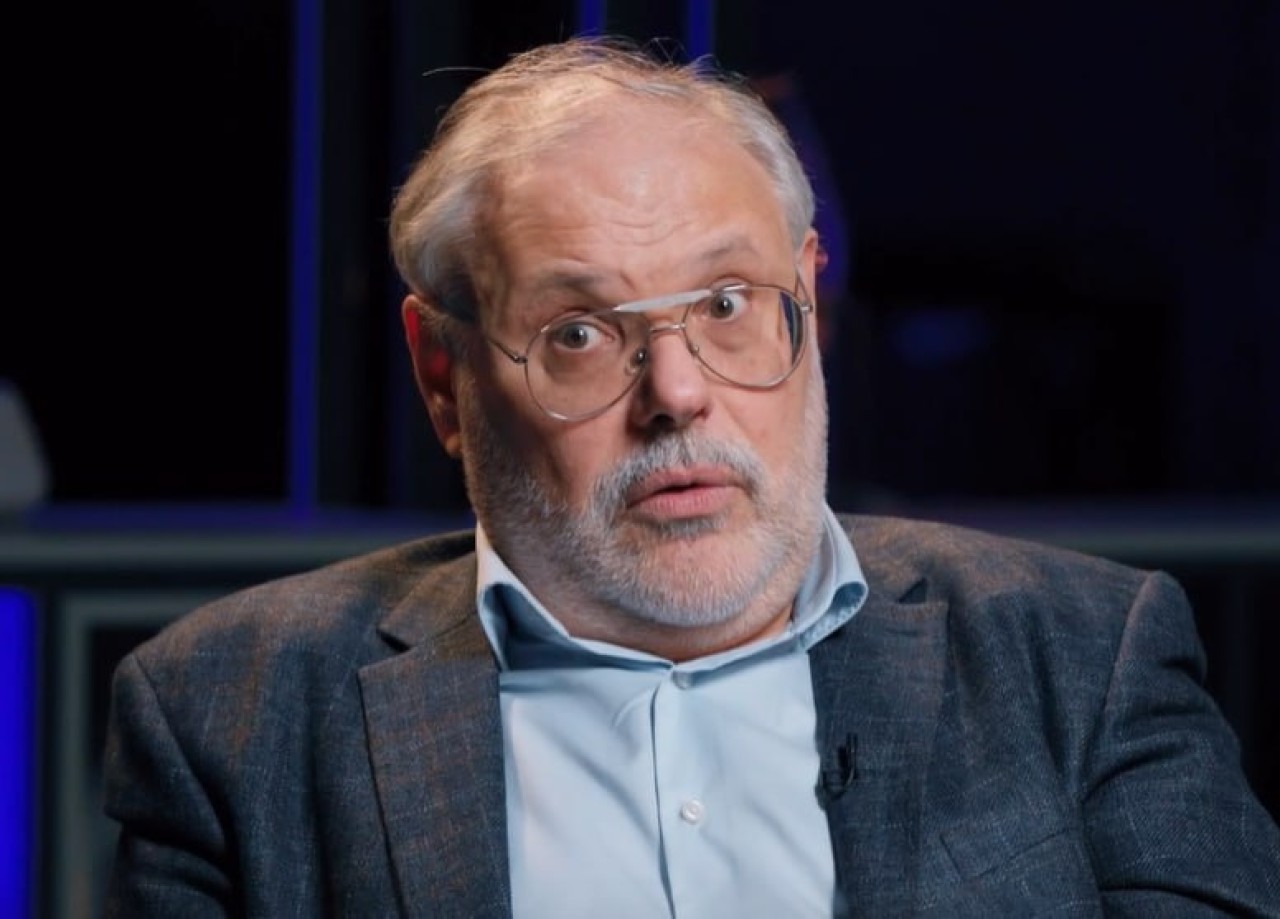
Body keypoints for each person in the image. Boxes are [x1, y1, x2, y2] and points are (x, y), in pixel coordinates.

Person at [101, 35, 1280, 917]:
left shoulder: (1077, 656)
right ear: (443, 377)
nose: (675, 392)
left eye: (724, 305)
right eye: (578, 331)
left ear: (807, 300)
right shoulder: (235, 713)